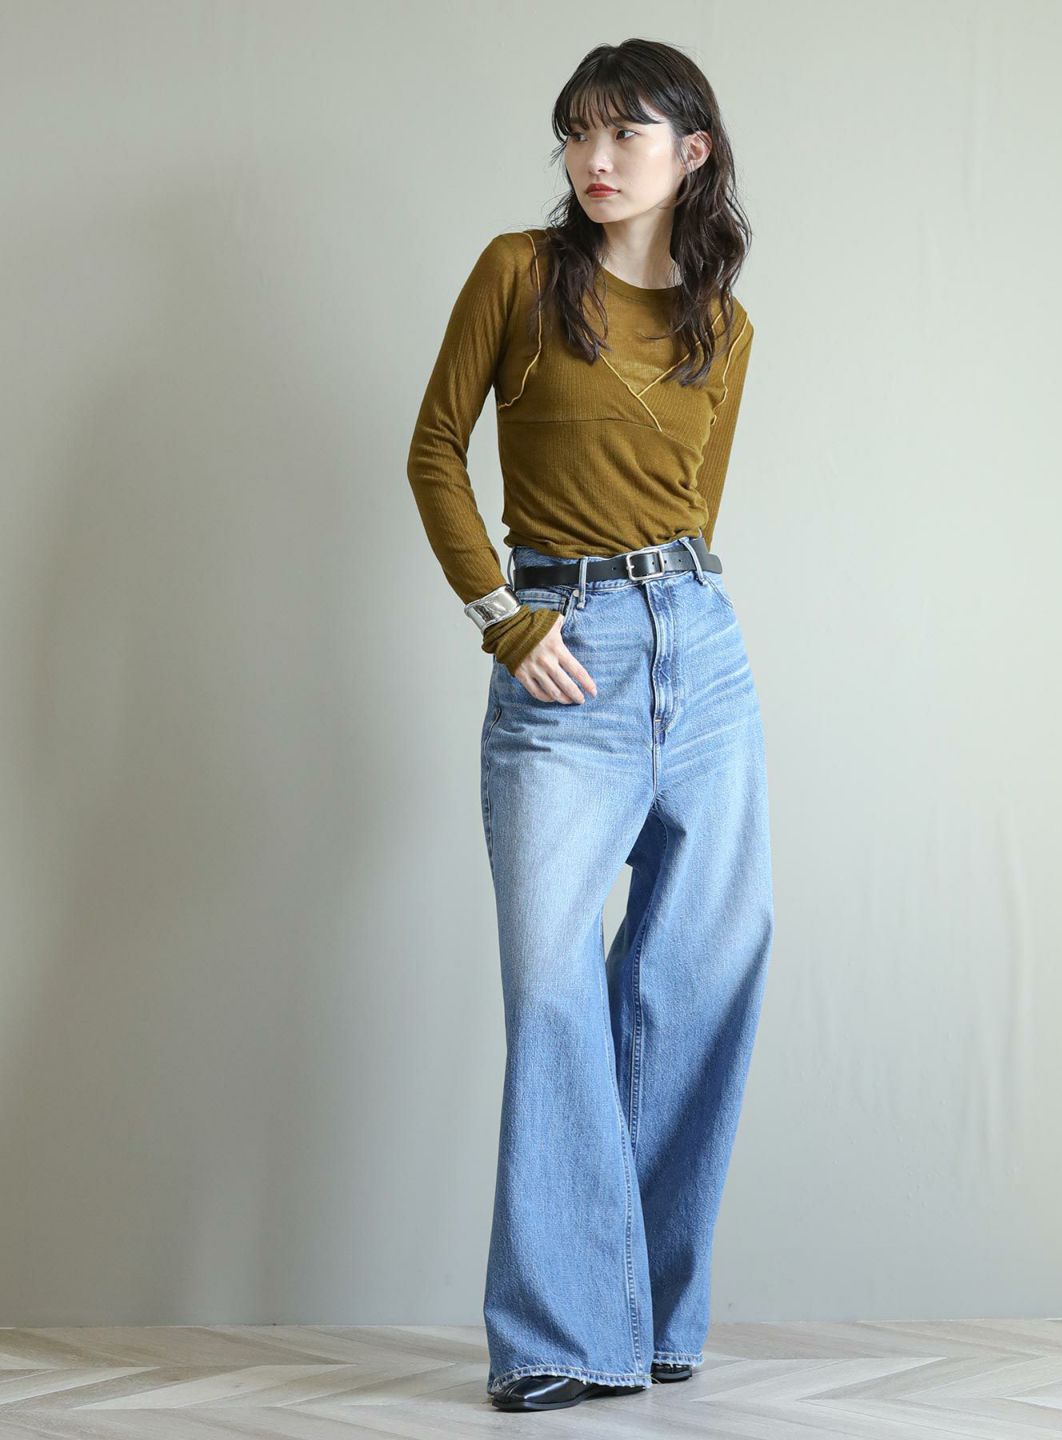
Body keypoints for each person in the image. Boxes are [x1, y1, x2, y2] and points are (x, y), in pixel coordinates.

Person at [406, 38, 774, 1414]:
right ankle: (565, 1336)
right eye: (577, 131)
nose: (595, 157)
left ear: (694, 151)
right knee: (557, 990)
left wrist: (674, 623)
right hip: (564, 655)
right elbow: (434, 450)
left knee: (700, 977)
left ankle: (655, 1314)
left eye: (626, 132)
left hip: (703, 653)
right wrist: (506, 619)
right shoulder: (518, 273)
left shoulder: (725, 327)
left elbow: (696, 510)